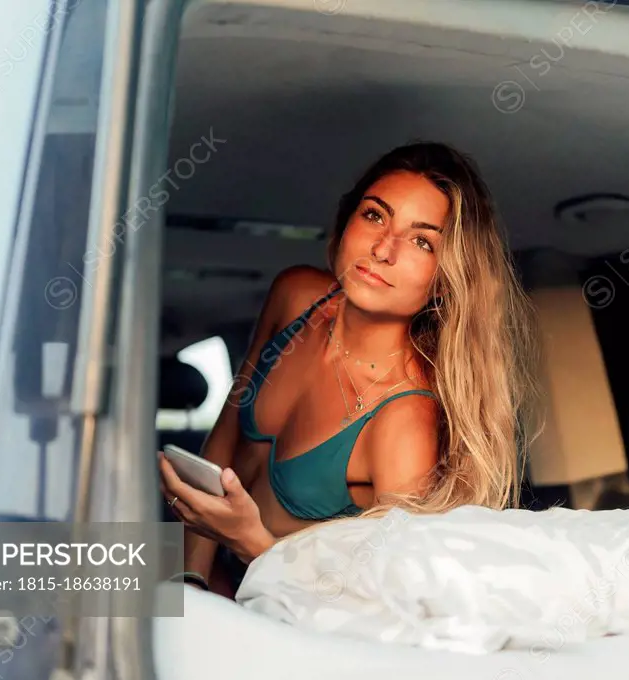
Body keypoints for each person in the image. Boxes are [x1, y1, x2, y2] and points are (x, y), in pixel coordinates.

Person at [158, 141, 542, 597]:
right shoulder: (297, 295)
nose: (384, 249)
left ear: (444, 281)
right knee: (63, 571)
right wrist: (191, 583)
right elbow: (223, 441)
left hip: (282, 615)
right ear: (346, 224)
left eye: (422, 241)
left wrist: (249, 543)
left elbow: (383, 602)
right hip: (199, 575)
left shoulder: (405, 421)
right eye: (375, 215)